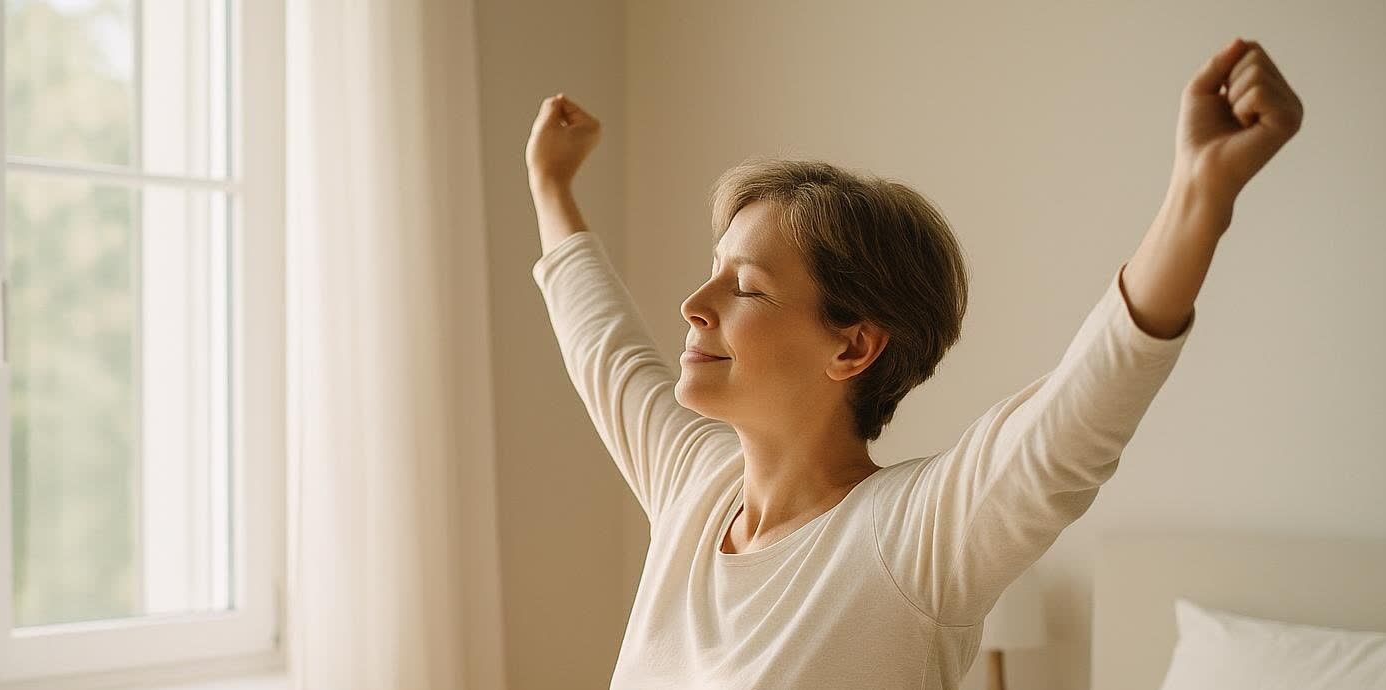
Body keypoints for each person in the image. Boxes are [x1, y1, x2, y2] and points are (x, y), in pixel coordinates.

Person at [524, 37, 1302, 690]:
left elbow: (1077, 414)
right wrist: (551, 185)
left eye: (747, 287)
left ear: (853, 346)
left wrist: (1200, 194)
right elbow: (605, 348)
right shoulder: (695, 487)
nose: (695, 303)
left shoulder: (909, 539)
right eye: (714, 270)